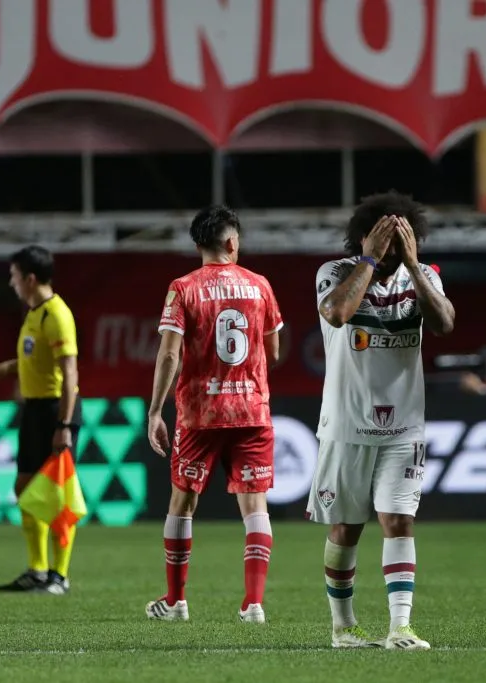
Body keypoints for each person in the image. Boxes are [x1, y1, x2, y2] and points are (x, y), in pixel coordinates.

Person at [309, 191, 455, 650]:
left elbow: (445, 323)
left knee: (399, 521)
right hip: (346, 423)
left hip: (404, 426)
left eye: (400, 242)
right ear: (362, 238)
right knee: (347, 528)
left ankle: (400, 627)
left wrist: (413, 266)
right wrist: (369, 260)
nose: (392, 251)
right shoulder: (334, 273)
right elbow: (336, 313)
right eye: (383, 242)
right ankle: (343, 627)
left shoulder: (423, 275)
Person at [143, 205, 282, 623]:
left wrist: (155, 410)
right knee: (255, 508)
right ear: (232, 242)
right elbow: (272, 352)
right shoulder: (260, 286)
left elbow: (169, 353)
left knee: (182, 505)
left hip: (200, 413)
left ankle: (175, 601)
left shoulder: (182, 288)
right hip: (252, 411)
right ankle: (254, 604)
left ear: (198, 243)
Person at [0, 245, 79, 595]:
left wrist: (64, 426)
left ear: (30, 278)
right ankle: (37, 571)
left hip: (55, 410)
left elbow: (70, 375)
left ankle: (59, 576)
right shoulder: (34, 313)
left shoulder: (57, 315)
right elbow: (33, 357)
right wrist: (6, 368)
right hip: (35, 410)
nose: (11, 283)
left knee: (56, 496)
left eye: (14, 276)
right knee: (25, 488)